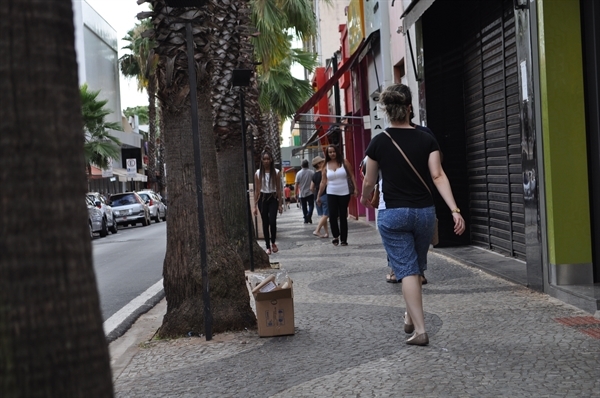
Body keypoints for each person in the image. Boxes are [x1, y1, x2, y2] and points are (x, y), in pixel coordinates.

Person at [360, 83, 465, 346]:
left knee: (406, 270)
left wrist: (364, 198)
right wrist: (454, 209)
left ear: (387, 111)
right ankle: (409, 315)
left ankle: (420, 330)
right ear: (409, 109)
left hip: (393, 214)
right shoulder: (427, 138)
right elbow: (438, 175)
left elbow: (369, 181)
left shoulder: (378, 142)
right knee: (415, 268)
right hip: (424, 214)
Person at [317, 145, 358, 246]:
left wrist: (356, 188)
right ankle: (336, 236)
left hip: (344, 192)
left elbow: (352, 175)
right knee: (332, 215)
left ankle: (344, 239)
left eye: (333, 152)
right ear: (327, 154)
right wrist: (319, 195)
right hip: (331, 192)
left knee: (343, 216)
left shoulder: (344, 162)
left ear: (337, 152)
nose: (332, 154)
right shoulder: (325, 165)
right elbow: (323, 182)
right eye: (330, 152)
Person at [253, 149, 283, 255]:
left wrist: (280, 204)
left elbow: (279, 189)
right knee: (265, 223)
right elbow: (257, 190)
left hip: (273, 198)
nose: (266, 161)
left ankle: (273, 242)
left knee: (272, 221)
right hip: (262, 199)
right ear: (261, 160)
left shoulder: (276, 172)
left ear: (271, 160)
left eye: (268, 159)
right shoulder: (258, 173)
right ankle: (267, 246)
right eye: (264, 159)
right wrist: (255, 206)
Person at [310, 156, 329, 238]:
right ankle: (317, 230)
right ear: (319, 164)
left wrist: (316, 193)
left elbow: (311, 188)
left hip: (316, 197)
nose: (323, 163)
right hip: (325, 194)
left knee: (323, 215)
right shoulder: (325, 172)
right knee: (327, 214)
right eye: (322, 162)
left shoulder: (314, 175)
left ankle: (327, 233)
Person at [295, 159, 315, 224]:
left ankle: (306, 219)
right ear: (308, 165)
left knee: (304, 207)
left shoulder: (298, 173)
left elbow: (296, 184)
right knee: (311, 205)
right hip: (310, 192)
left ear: (301, 165)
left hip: (302, 193)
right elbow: (314, 182)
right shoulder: (312, 172)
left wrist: (295, 193)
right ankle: (309, 215)